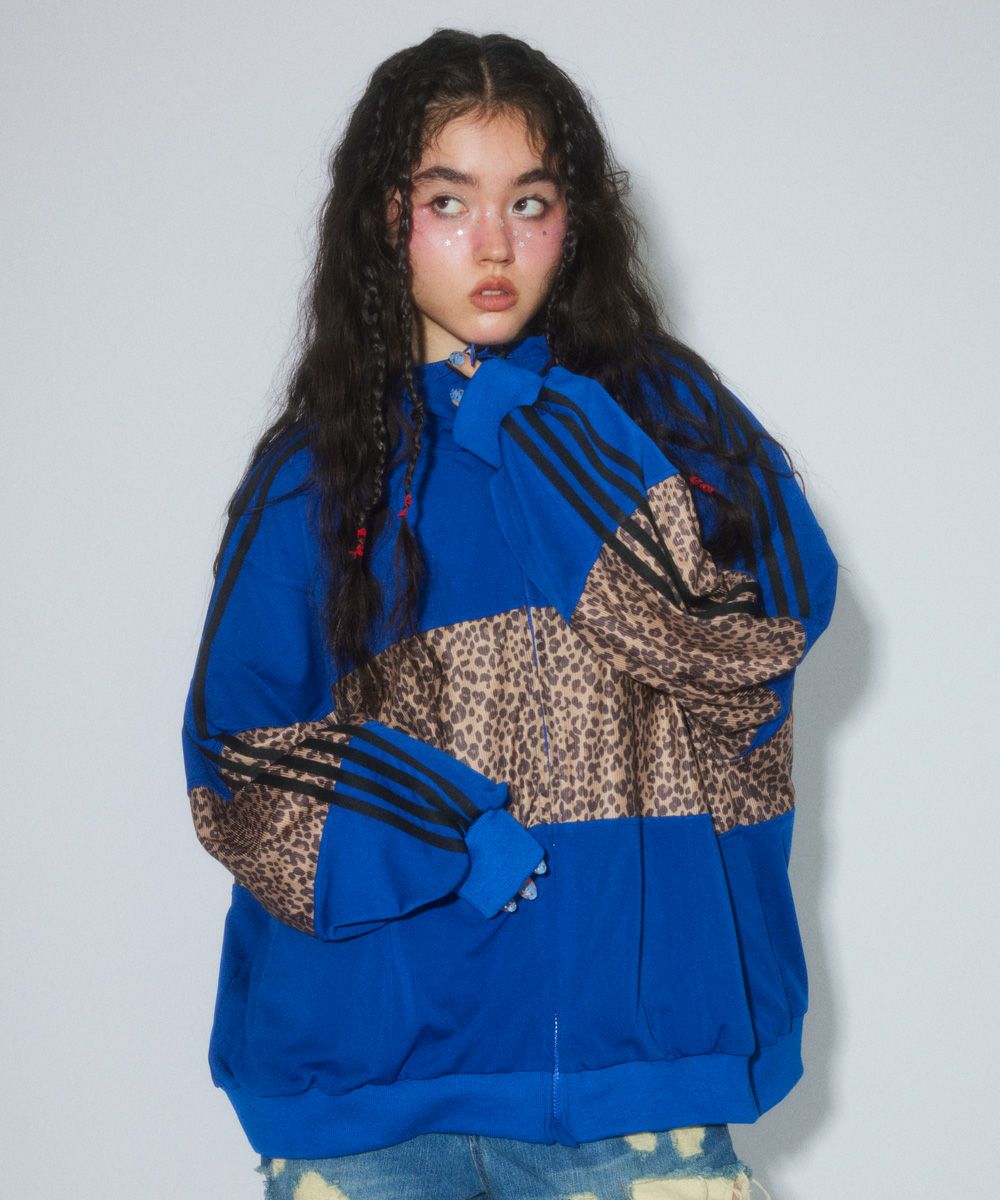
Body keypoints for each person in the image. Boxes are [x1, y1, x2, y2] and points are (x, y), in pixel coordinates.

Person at [181, 27, 837, 1200]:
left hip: (632, 1084)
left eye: (528, 203)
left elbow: (754, 640)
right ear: (385, 219)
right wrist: (444, 829)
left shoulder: (664, 423)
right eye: (449, 202)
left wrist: (547, 435)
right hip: (363, 1092)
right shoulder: (316, 475)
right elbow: (237, 756)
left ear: (572, 220)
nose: (493, 244)